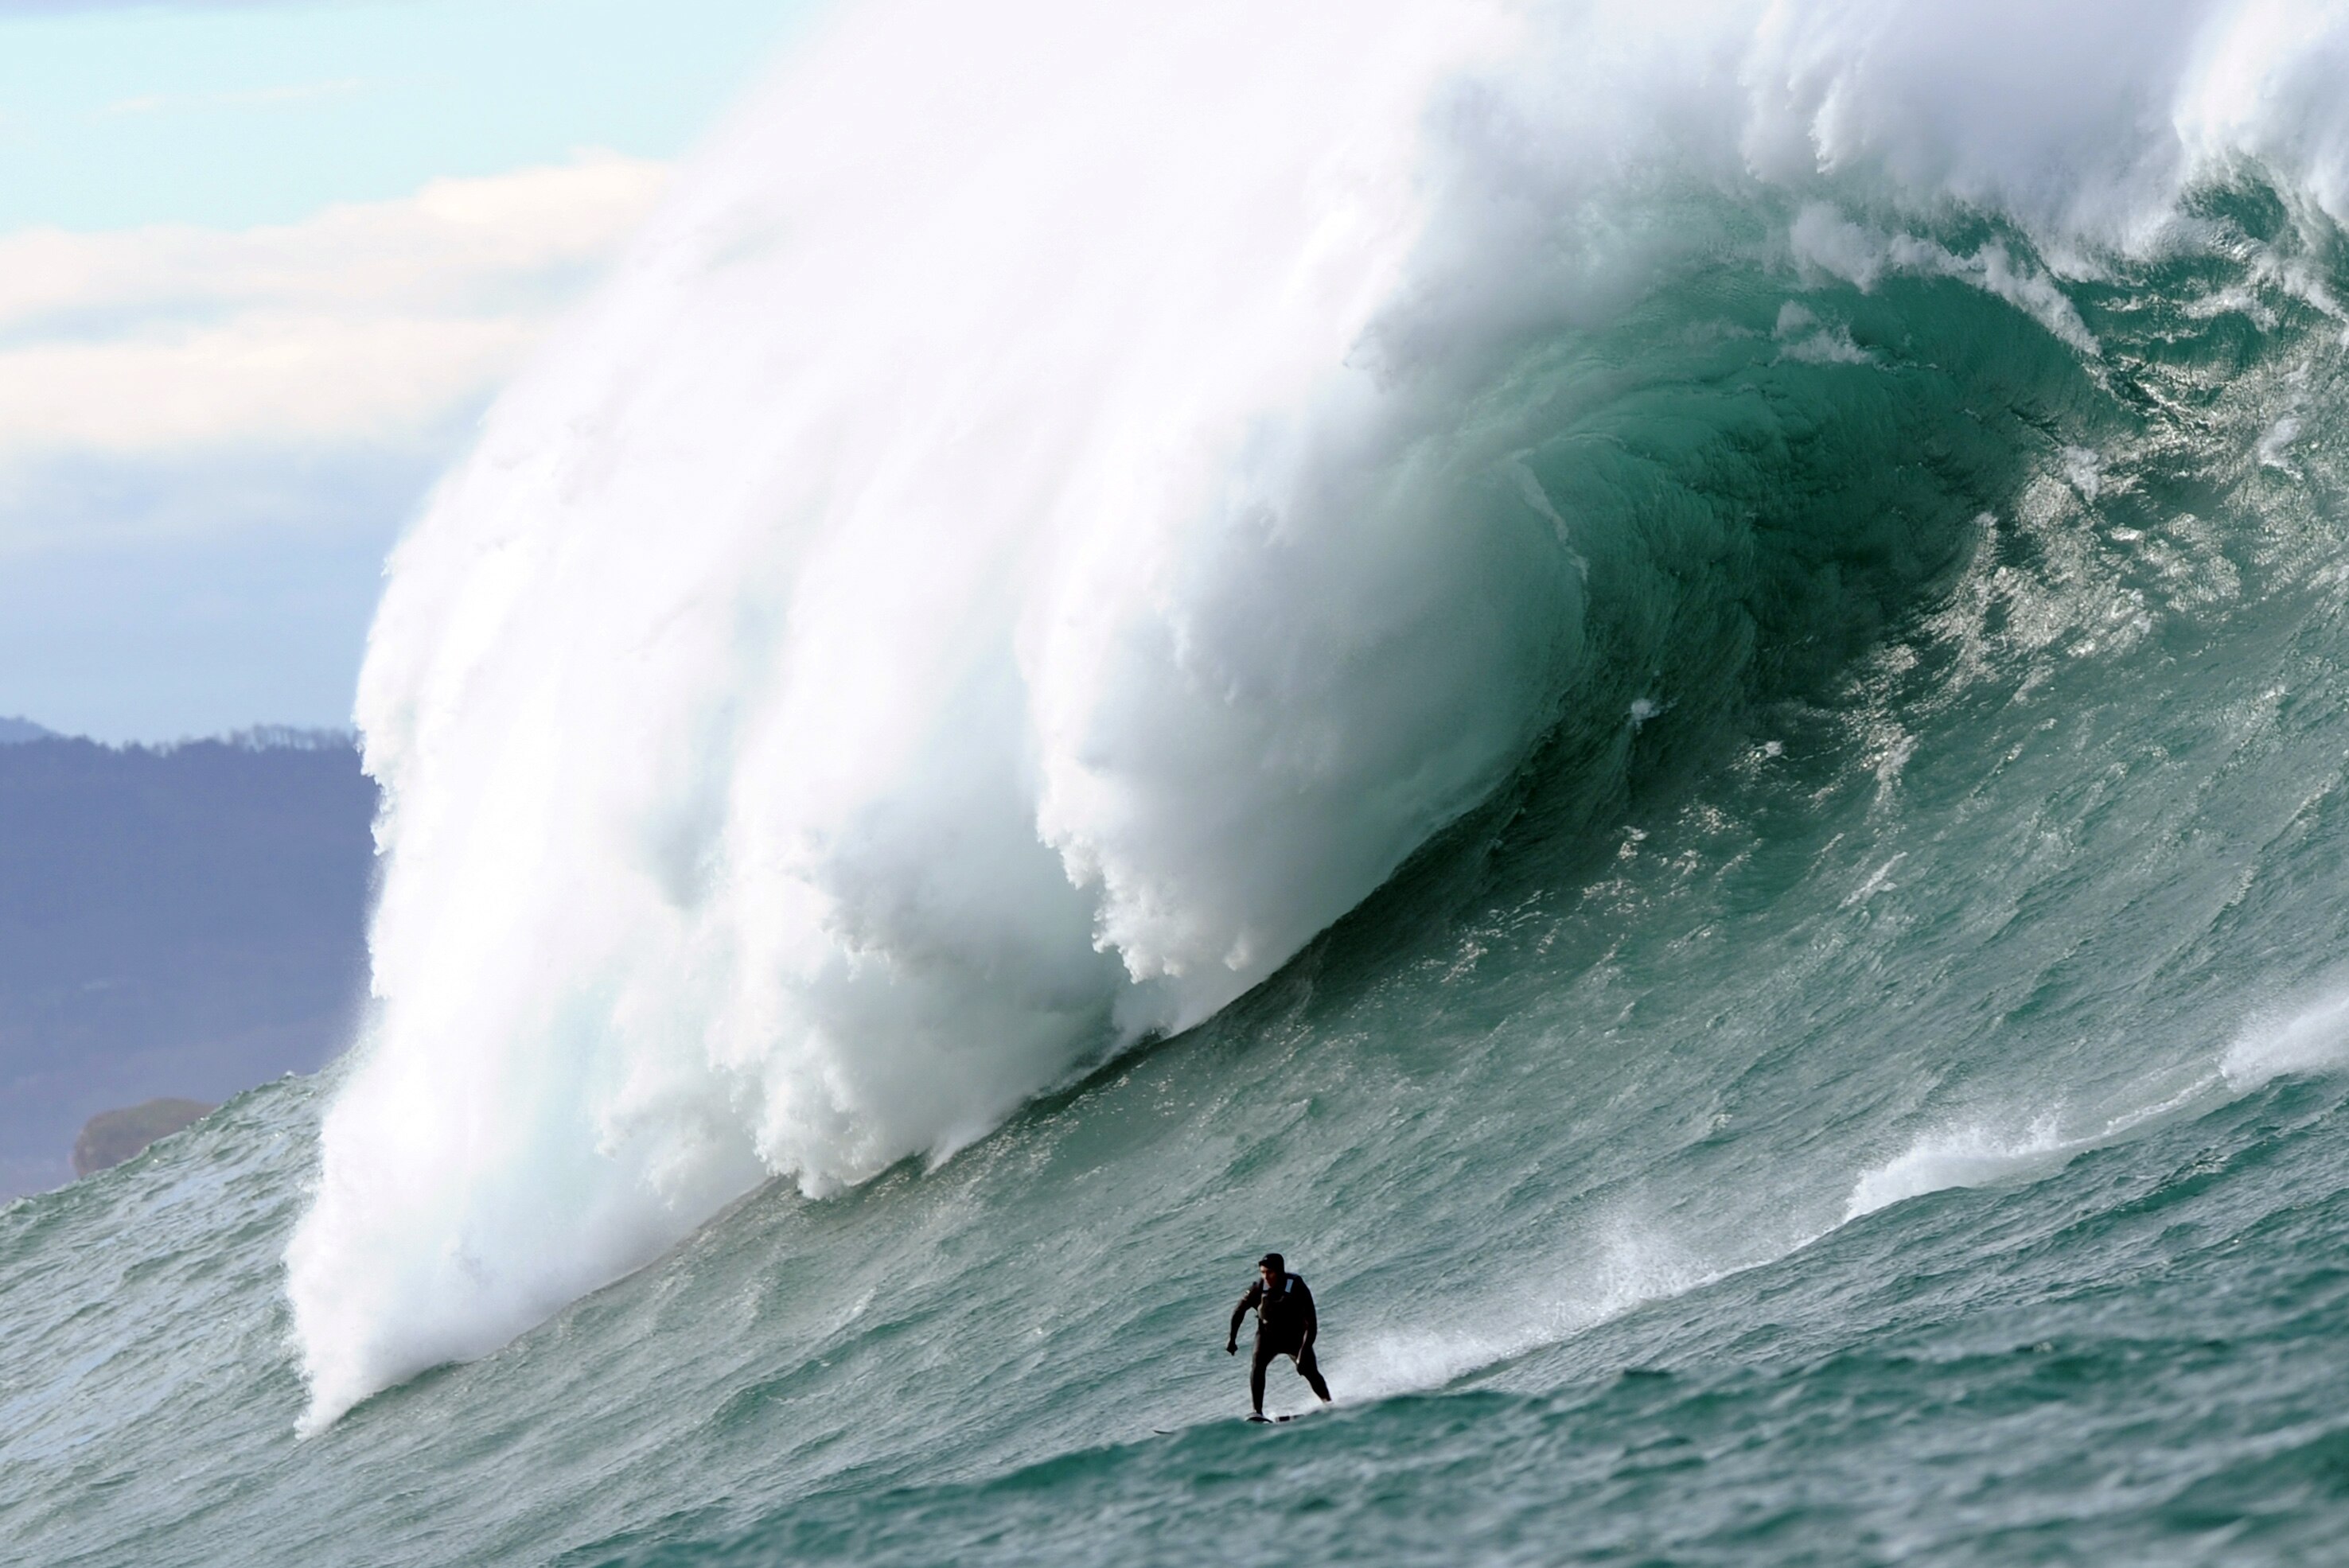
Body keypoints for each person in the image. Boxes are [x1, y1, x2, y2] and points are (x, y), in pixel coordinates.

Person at [1225, 1251, 1332, 1419]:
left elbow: (1312, 1323)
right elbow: (1239, 1311)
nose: (1266, 1276)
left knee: (1309, 1370)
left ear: (1280, 1271)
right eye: (1263, 1272)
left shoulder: (1296, 1285)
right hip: (1268, 1337)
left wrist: (1304, 1351)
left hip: (1294, 1336)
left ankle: (1329, 1404)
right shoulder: (1259, 1288)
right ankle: (1257, 1413)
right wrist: (1232, 1338)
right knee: (1257, 1366)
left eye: (1270, 1272)